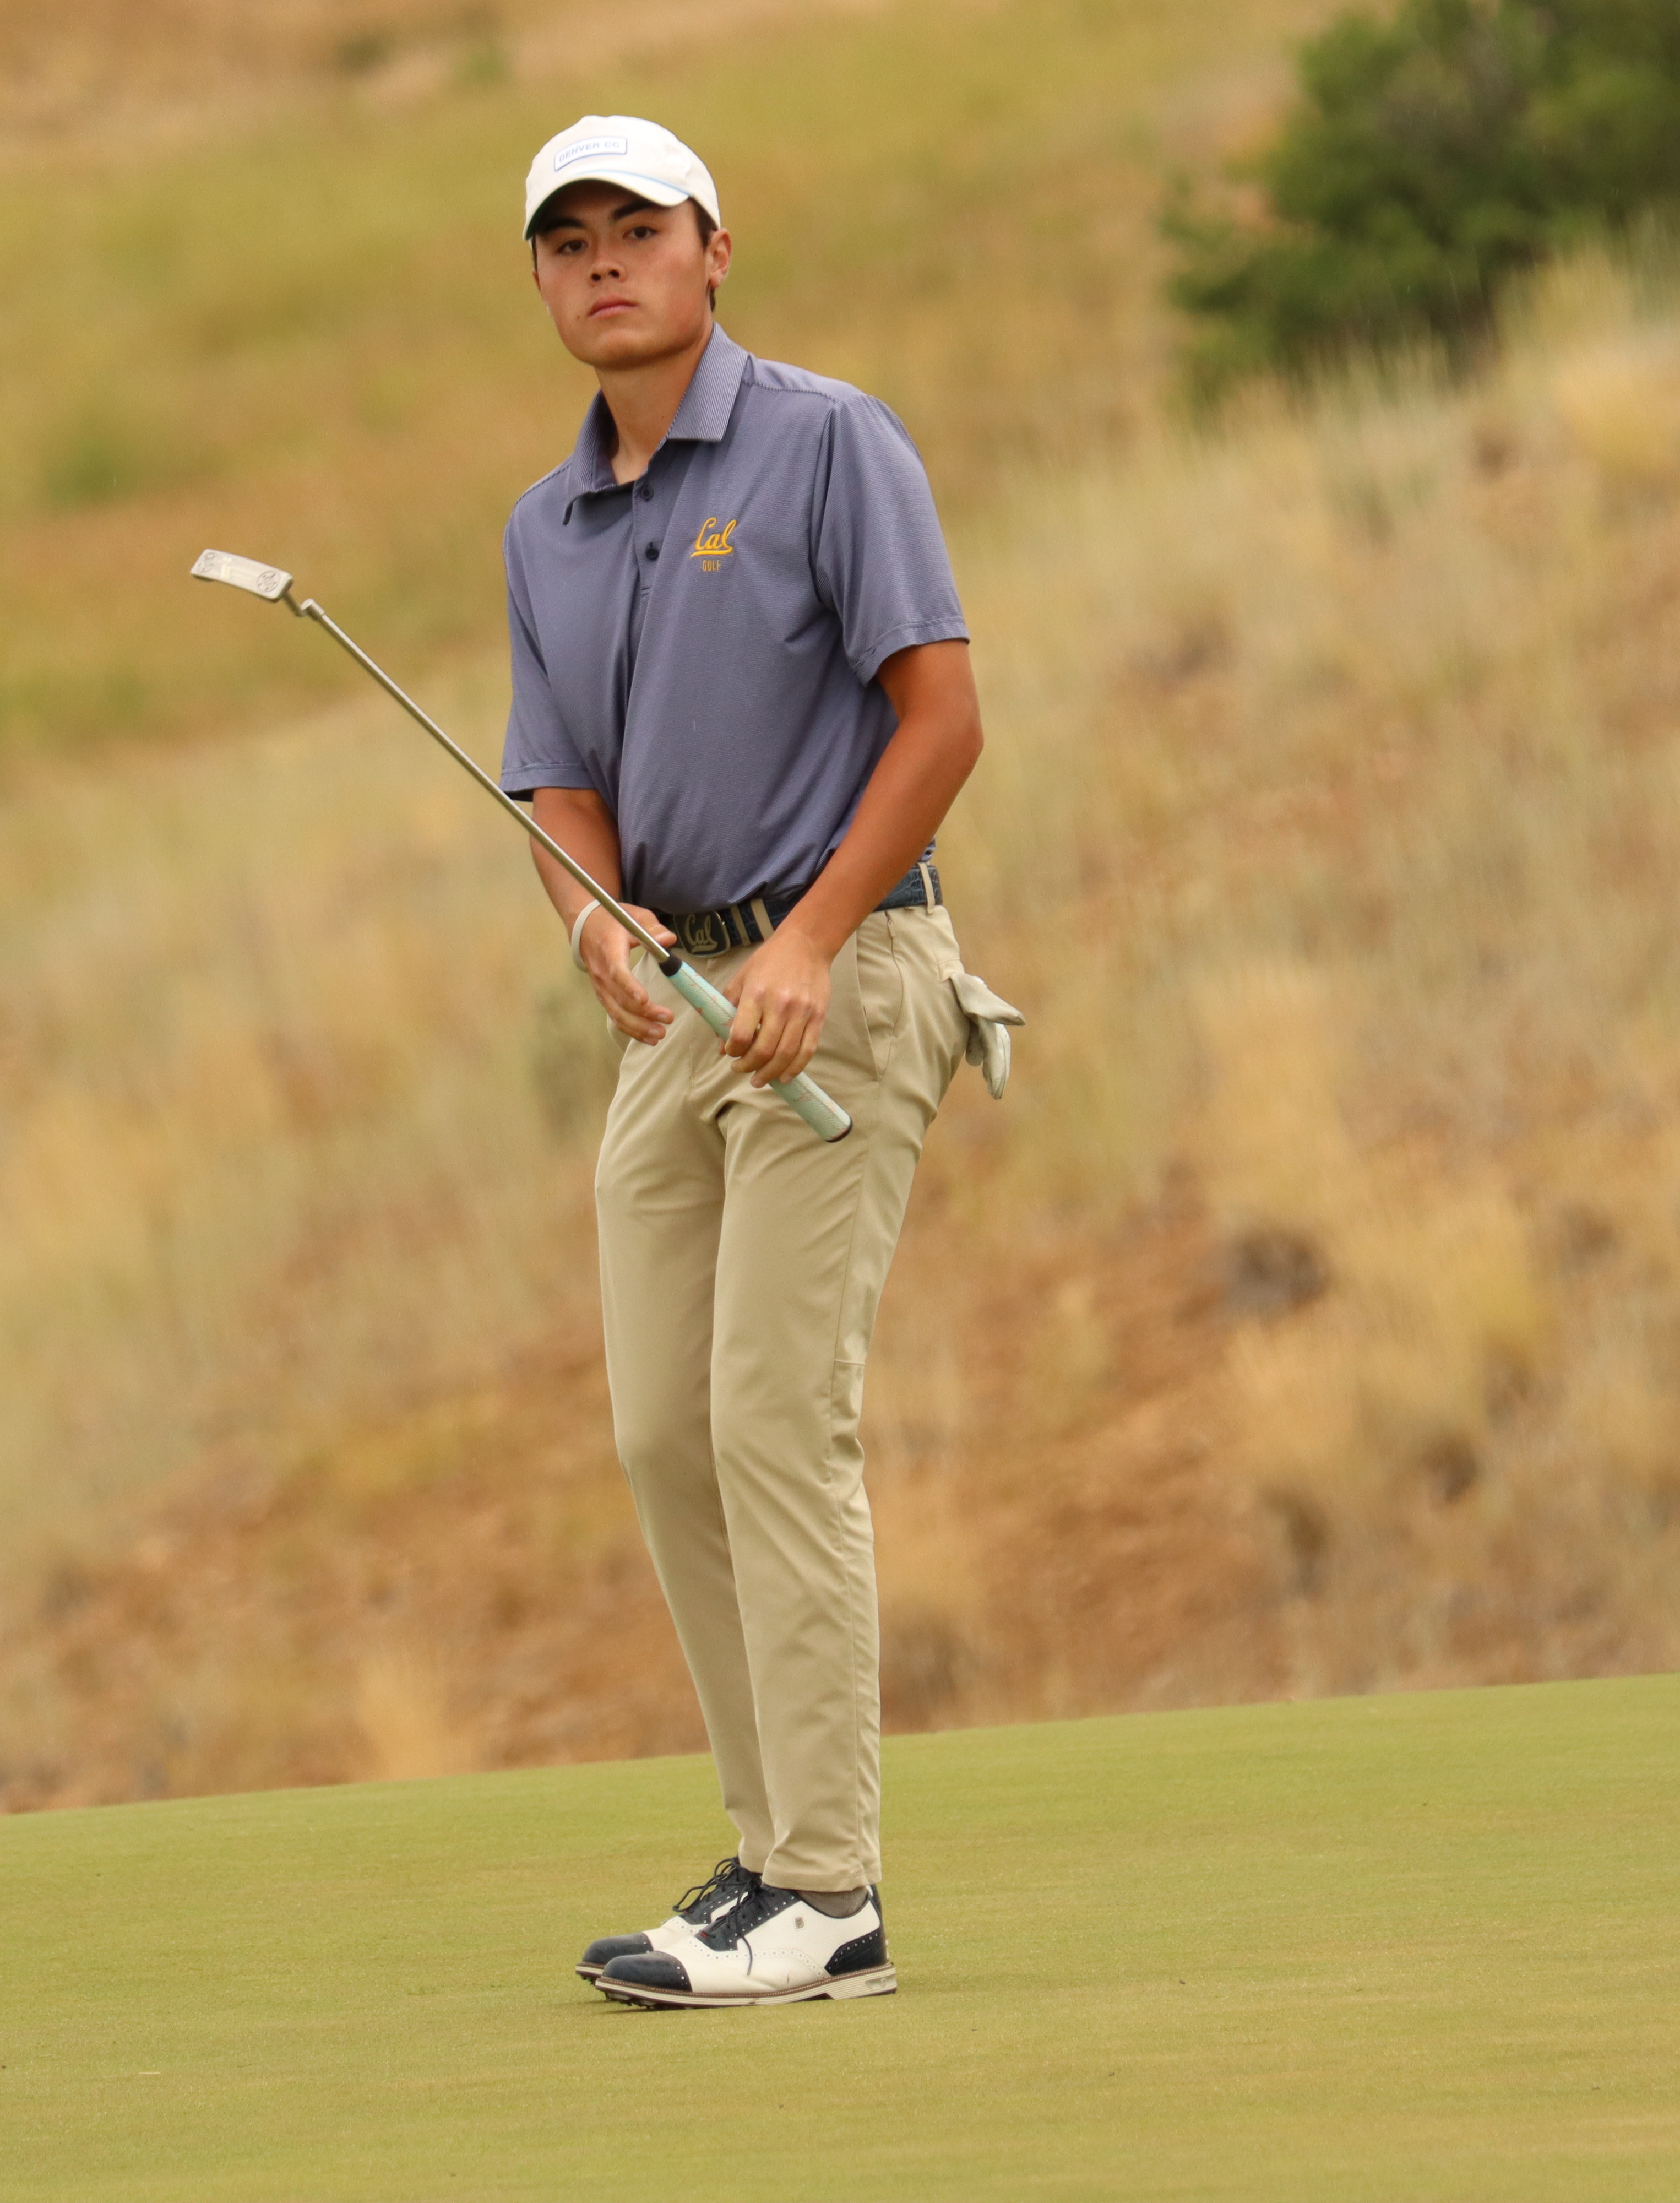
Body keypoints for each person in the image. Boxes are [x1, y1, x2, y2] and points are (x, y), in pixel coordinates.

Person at [498, 115, 1014, 2009]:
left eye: (638, 229)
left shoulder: (827, 441)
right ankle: (764, 1852)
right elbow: (559, 779)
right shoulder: (545, 526)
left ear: (715, 250)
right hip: (680, 1007)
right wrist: (589, 916)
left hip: (844, 978)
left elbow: (942, 719)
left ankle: (827, 1891)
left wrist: (810, 939)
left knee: (774, 1420)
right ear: (543, 280)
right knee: (663, 1431)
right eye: (569, 241)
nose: (604, 263)